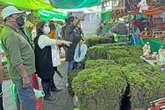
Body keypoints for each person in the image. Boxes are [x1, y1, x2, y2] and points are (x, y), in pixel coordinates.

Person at [0, 6, 36, 110]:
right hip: (22, 74)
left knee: (22, 98)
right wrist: (24, 76)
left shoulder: (14, 30)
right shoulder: (10, 34)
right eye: (18, 15)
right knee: (28, 100)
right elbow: (16, 59)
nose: (22, 17)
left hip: (22, 72)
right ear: (10, 18)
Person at [34, 22, 71, 101]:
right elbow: (54, 41)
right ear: (41, 28)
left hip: (46, 61)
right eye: (46, 26)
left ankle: (53, 88)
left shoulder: (43, 37)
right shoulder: (42, 37)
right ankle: (47, 95)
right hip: (43, 62)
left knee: (50, 75)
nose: (48, 27)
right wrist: (64, 42)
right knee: (46, 78)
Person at [63, 16, 83, 86]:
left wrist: (80, 30)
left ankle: (74, 80)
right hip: (71, 51)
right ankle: (69, 81)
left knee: (76, 66)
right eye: (75, 20)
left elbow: (79, 37)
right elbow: (72, 27)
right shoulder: (68, 28)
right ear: (71, 22)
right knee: (70, 67)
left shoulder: (76, 29)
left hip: (76, 51)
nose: (77, 22)